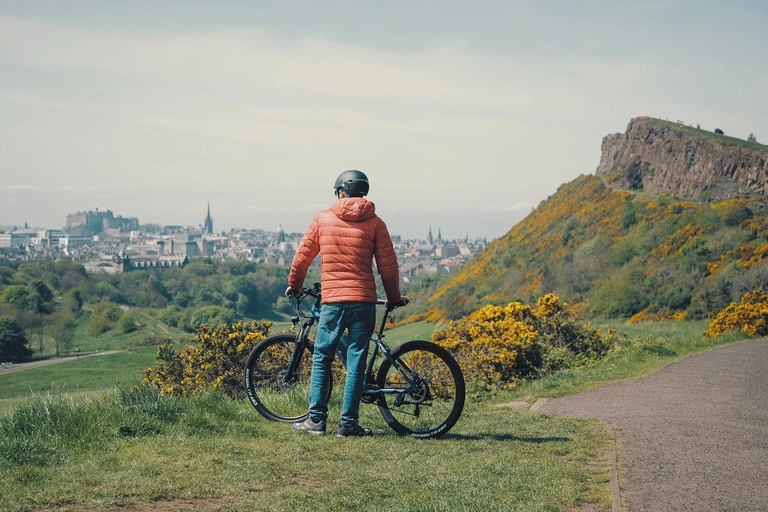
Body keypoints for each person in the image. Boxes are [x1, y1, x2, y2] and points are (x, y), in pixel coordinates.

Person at [286, 170, 408, 437]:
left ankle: (316, 421)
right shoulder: (376, 223)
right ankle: (348, 424)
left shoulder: (322, 218)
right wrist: (394, 296)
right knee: (356, 363)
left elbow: (302, 258)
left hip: (333, 301)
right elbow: (389, 266)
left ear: (340, 192)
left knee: (322, 358)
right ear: (363, 193)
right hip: (363, 300)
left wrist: (294, 286)